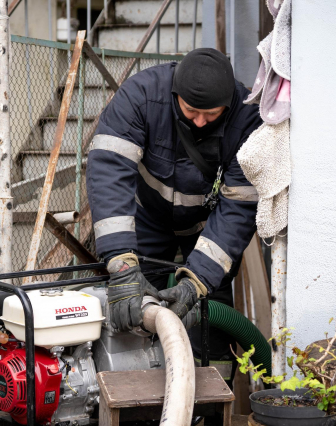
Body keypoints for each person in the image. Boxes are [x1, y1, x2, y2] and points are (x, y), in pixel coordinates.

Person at [86, 48, 261, 381]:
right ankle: (138, 395)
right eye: (191, 110)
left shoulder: (248, 120)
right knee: (131, 315)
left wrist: (198, 282)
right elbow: (109, 172)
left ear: (228, 105)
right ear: (174, 94)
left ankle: (211, 401)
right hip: (147, 220)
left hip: (209, 228)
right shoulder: (141, 97)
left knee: (210, 322)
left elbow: (239, 207)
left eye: (211, 114)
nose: (200, 122)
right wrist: (121, 263)